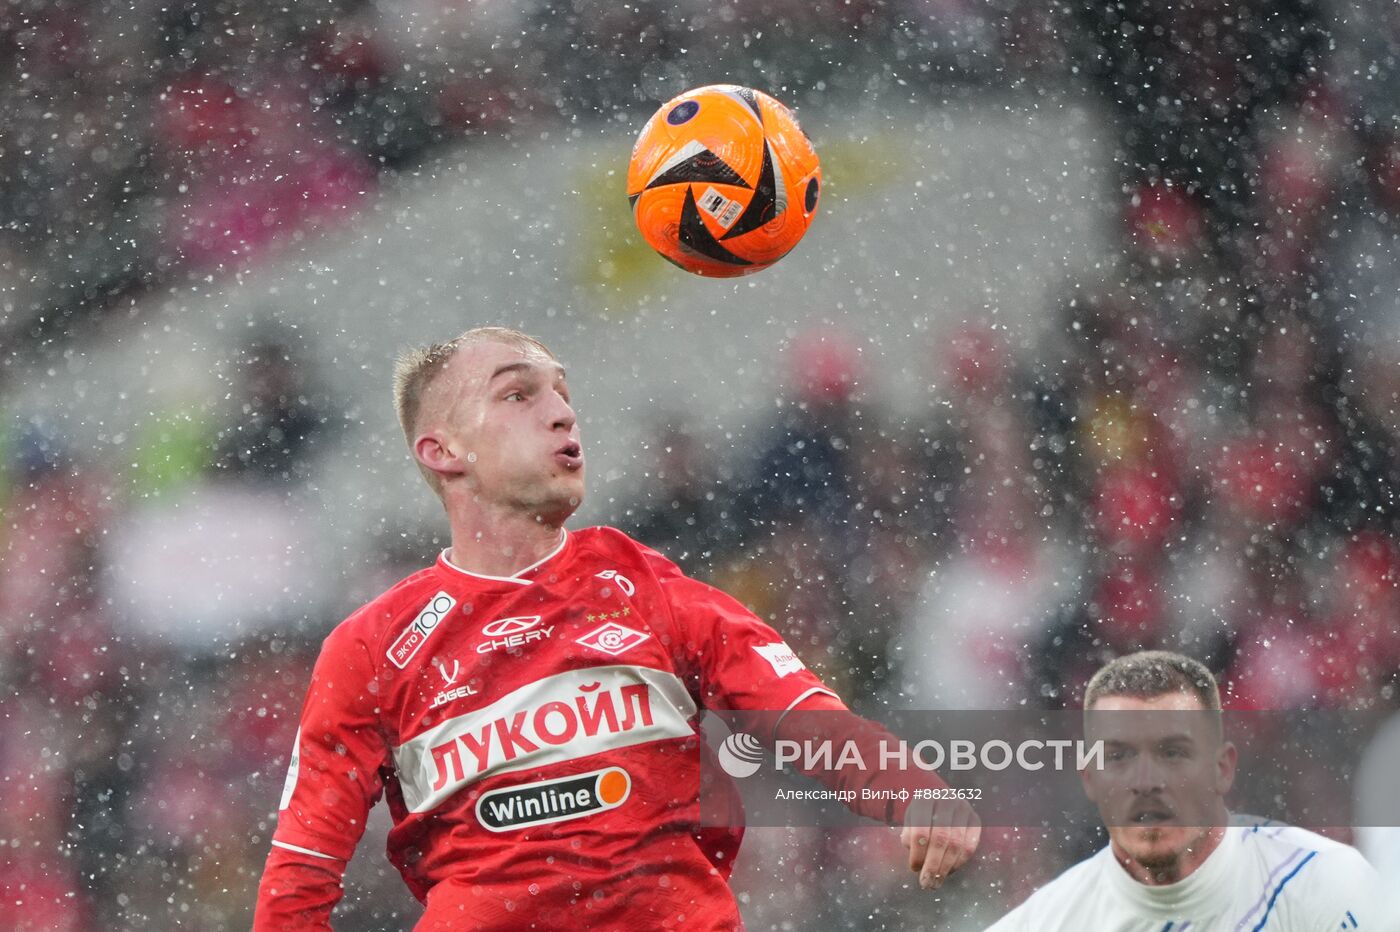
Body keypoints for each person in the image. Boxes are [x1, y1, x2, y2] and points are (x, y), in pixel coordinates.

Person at [253, 326, 979, 930]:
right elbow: (304, 866)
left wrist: (911, 786)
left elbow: (797, 715)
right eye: (518, 394)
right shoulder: (372, 647)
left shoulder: (651, 590)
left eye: (564, 394)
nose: (564, 413)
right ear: (444, 452)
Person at [985, 650, 1387, 931]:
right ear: (1089, 778)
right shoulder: (1043, 923)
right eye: (1119, 757)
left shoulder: (1322, 886)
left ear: (1222, 769)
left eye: (1172, 752)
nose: (1145, 782)